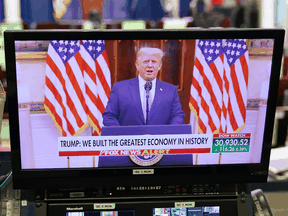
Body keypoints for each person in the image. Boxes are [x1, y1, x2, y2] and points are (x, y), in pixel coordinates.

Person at [103, 47, 185, 126]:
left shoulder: (171, 90)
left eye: (154, 62)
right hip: (129, 139)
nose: (150, 65)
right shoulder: (119, 89)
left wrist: (168, 135)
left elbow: (177, 116)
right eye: (146, 61)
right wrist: (122, 136)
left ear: (159, 66)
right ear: (137, 65)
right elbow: (109, 116)